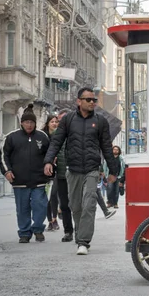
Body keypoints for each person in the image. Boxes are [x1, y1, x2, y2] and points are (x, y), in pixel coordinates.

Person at [44, 87, 119, 256]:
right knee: (75, 206)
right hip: (73, 169)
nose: (92, 103)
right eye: (88, 100)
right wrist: (48, 160)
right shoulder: (68, 120)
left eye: (94, 100)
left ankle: (83, 241)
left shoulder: (100, 121)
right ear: (79, 101)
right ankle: (80, 234)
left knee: (89, 205)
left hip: (92, 169)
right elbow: (56, 142)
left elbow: (106, 147)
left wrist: (113, 171)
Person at [0, 104, 50, 243]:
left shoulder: (42, 137)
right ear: (21, 123)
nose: (29, 125)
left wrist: (50, 167)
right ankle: (24, 233)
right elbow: (3, 156)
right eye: (27, 122)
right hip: (19, 180)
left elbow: (50, 155)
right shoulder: (11, 137)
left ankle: (38, 229)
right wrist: (7, 171)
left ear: (35, 123)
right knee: (22, 209)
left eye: (32, 122)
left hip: (39, 180)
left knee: (40, 206)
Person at [55, 109, 74, 243]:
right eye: (60, 120)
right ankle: (68, 231)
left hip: (76, 173)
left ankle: (80, 230)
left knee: (78, 204)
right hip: (61, 174)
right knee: (65, 205)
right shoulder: (56, 135)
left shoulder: (78, 133)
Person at [42, 115, 60, 232]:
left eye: (56, 122)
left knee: (54, 195)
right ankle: (50, 221)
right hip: (45, 169)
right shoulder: (43, 136)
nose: (54, 124)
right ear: (47, 123)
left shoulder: (60, 135)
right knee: (46, 196)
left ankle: (55, 218)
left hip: (58, 169)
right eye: (52, 121)